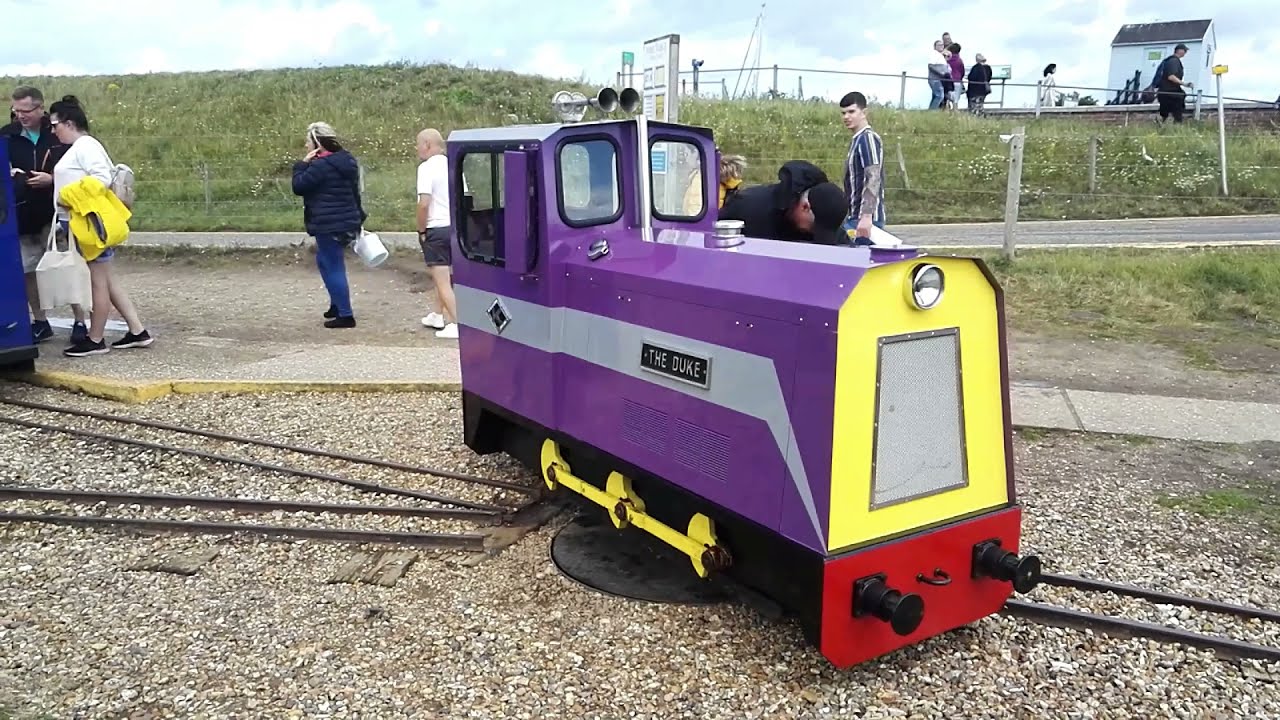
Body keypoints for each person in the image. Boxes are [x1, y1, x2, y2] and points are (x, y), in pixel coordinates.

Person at [49, 95, 153, 357]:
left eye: (55, 124)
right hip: (86, 221)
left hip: (90, 224)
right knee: (106, 279)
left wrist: (68, 196)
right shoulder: (82, 146)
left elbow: (101, 177)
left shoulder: (85, 146)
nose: (53, 130)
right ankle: (137, 331)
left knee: (98, 281)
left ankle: (95, 339)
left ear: (69, 123)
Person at [5, 86, 87, 344]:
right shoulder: (6, 136)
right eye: (16, 110)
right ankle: (40, 322)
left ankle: (80, 321)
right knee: (28, 269)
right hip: (24, 213)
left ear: (40, 108)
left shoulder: (58, 134)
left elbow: (77, 171)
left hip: (56, 213)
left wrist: (50, 180)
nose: (21, 116)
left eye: (26, 110)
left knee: (68, 266)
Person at [291, 121, 364, 329]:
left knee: (332, 265)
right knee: (325, 261)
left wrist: (302, 164)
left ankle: (345, 314)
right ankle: (337, 304)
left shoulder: (319, 167)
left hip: (327, 222)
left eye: (308, 141)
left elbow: (299, 186)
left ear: (316, 143)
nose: (305, 145)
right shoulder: (347, 160)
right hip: (346, 219)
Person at [718, 160, 848, 245]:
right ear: (805, 207)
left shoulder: (825, 219)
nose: (815, 233)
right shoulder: (746, 207)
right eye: (815, 228)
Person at [414, 128, 457, 340]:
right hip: (455, 227)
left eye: (418, 144)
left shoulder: (426, 168)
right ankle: (437, 314)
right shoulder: (454, 165)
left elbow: (424, 204)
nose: (417, 149)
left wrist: (421, 230)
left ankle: (458, 322)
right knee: (447, 274)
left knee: (441, 279)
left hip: (436, 227)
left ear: (427, 145)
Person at [837, 92, 887, 246]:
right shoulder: (858, 139)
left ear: (864, 113)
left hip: (864, 219)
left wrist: (866, 216)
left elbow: (873, 176)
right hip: (854, 217)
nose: (846, 117)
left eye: (851, 112)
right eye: (843, 113)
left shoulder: (867, 138)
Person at [1156, 44, 1193, 123]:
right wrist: (1185, 84)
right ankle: (1175, 127)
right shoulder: (1174, 61)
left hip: (1165, 91)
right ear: (1179, 50)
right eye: (1184, 51)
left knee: (1165, 113)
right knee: (1177, 112)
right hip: (1170, 92)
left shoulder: (1169, 60)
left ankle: (1164, 125)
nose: (1185, 53)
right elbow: (1171, 76)